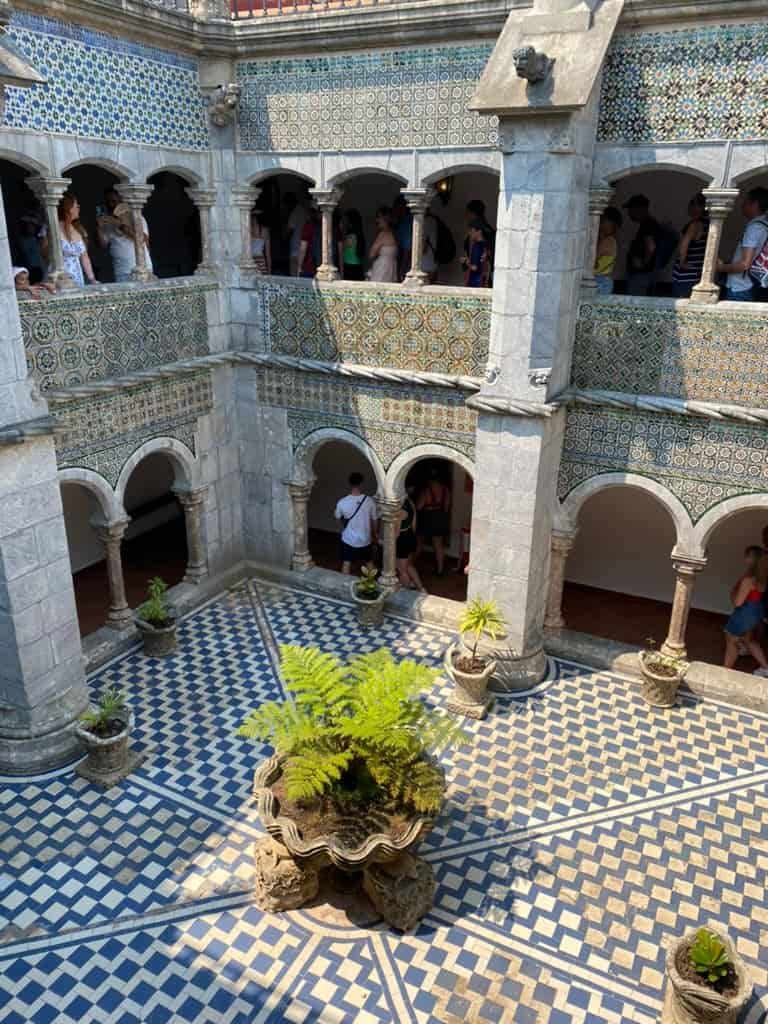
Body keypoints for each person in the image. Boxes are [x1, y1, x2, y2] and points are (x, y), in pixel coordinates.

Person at [716, 188, 768, 302]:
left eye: (745, 202)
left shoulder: (754, 228)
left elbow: (745, 264)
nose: (742, 206)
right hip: (751, 285)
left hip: (741, 287)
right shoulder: (764, 225)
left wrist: (721, 268)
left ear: (754, 204)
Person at [723, 546, 768, 675]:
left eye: (747, 556)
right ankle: (765, 667)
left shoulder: (749, 579)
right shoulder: (762, 576)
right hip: (756, 611)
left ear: (753, 559)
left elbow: (738, 602)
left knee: (731, 640)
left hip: (745, 613)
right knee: (749, 640)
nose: (745, 559)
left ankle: (725, 670)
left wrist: (733, 594)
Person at [97, 187, 151, 283]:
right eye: (108, 202)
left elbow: (141, 239)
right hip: (121, 270)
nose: (111, 205)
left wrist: (120, 225)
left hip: (141, 269)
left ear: (121, 201)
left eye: (113, 201)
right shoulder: (108, 222)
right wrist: (99, 227)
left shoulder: (136, 217)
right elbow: (103, 244)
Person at [334, 473, 379, 575]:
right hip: (365, 539)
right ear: (361, 484)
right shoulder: (369, 501)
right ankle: (372, 585)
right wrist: (375, 533)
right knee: (369, 562)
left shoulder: (342, 502)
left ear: (349, 484)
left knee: (346, 563)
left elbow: (337, 518)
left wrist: (344, 529)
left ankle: (345, 586)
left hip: (348, 539)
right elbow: (375, 520)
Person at [49, 194, 97, 288]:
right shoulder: (54, 228)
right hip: (60, 280)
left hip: (77, 278)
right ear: (69, 209)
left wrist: (92, 279)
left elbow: (85, 257)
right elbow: (45, 253)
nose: (79, 208)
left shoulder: (77, 228)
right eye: (77, 206)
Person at [623, 194, 664, 296]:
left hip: (641, 275)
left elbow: (651, 247)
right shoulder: (648, 224)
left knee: (635, 305)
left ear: (638, 209)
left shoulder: (648, 224)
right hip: (644, 274)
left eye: (630, 209)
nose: (629, 213)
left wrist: (643, 264)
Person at [671, 193, 709, 298]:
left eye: (692, 204)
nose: (689, 207)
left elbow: (684, 244)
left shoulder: (695, 224)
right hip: (697, 274)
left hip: (685, 277)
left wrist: (682, 262)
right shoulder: (708, 223)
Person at [416, 465, 451, 577]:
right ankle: (440, 570)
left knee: (419, 543)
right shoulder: (446, 490)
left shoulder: (427, 491)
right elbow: (446, 507)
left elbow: (419, 507)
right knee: (438, 546)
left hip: (427, 518)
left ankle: (410, 565)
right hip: (440, 518)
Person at [396, 485, 427, 593]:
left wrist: (389, 542)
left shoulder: (400, 509)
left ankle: (406, 594)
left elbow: (396, 531)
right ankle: (421, 588)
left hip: (402, 540)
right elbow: (414, 525)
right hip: (411, 537)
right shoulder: (411, 503)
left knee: (402, 570)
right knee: (409, 566)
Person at [464, 200, 496, 280]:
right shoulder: (488, 228)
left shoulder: (475, 230)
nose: (466, 215)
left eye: (467, 212)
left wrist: (467, 264)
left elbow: (472, 252)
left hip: (477, 273)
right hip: (488, 270)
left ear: (472, 213)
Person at [593, 206, 622, 295]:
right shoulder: (609, 240)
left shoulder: (609, 241)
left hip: (600, 281)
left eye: (602, 221)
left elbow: (593, 258)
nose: (600, 224)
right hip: (602, 280)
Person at [367, 208, 398, 283]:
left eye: (378, 217)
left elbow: (371, 254)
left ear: (385, 219)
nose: (376, 220)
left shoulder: (383, 234)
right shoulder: (394, 234)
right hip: (390, 269)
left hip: (381, 269)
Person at [16, 213, 46, 284]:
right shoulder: (22, 240)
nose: (31, 228)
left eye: (32, 226)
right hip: (31, 267)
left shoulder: (37, 238)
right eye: (28, 226)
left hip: (39, 266)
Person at [282, 193, 306, 278]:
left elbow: (289, 231)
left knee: (294, 276)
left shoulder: (294, 213)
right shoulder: (303, 210)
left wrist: (283, 239)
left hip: (296, 250)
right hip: (305, 249)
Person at [338, 209, 365, 280]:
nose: (344, 223)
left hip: (349, 268)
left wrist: (341, 230)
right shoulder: (359, 236)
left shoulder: (350, 237)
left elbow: (341, 250)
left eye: (345, 220)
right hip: (358, 267)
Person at [462, 220, 491, 287]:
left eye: (472, 231)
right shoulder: (486, 245)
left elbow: (475, 267)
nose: (469, 233)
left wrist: (466, 262)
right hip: (482, 281)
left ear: (479, 231)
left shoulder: (476, 246)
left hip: (474, 282)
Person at [392, 195, 413, 280]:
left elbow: (407, 249)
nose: (394, 210)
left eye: (396, 207)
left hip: (406, 269)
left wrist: (401, 271)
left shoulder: (407, 224)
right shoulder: (401, 223)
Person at [297, 206, 321, 278]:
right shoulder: (333, 227)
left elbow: (303, 249)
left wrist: (299, 267)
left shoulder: (309, 226)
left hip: (309, 267)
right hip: (328, 268)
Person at [250, 208, 271, 274]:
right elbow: (268, 255)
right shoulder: (266, 230)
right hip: (261, 260)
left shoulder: (248, 229)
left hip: (250, 260)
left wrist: (251, 212)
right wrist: (269, 272)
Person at [421, 211, 439, 284]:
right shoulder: (434, 221)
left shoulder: (425, 222)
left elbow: (423, 248)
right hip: (433, 260)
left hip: (425, 263)